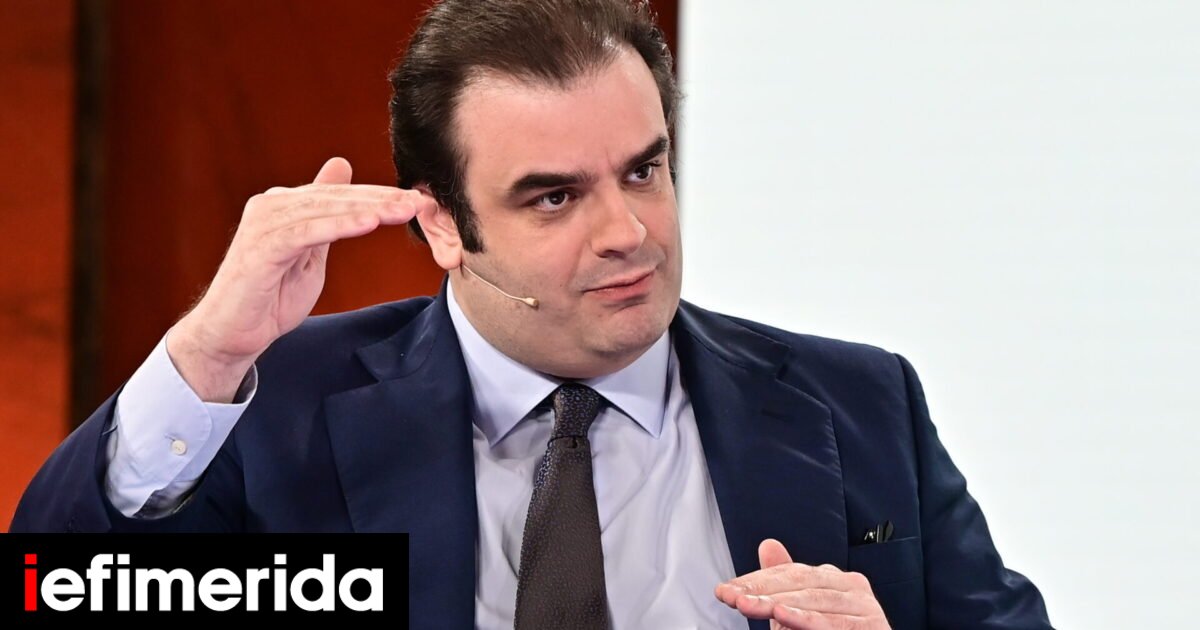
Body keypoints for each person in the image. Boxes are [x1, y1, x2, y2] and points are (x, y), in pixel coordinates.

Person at [11, 1, 1053, 628]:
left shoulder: (861, 401)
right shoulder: (281, 401)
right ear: (443, 226)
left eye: (643, 171)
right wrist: (206, 353)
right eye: (554, 197)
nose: (628, 233)